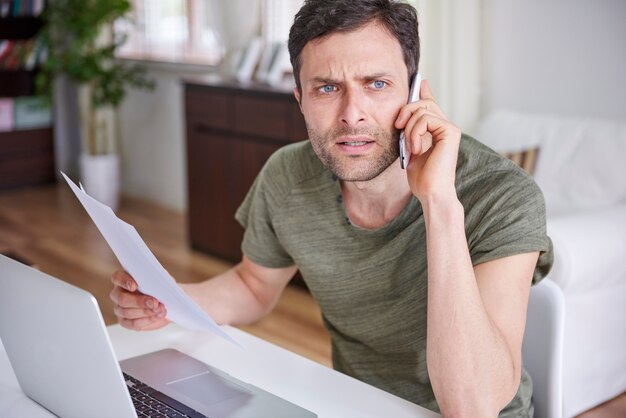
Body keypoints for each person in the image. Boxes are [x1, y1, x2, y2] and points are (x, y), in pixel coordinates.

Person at [110, 1, 553, 416]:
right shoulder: (287, 176)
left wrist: (439, 202)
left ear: (416, 92)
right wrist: (166, 299)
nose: (351, 114)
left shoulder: (503, 195)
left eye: (376, 84)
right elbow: (253, 286)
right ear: (300, 100)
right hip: (353, 405)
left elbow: (471, 406)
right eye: (327, 88)